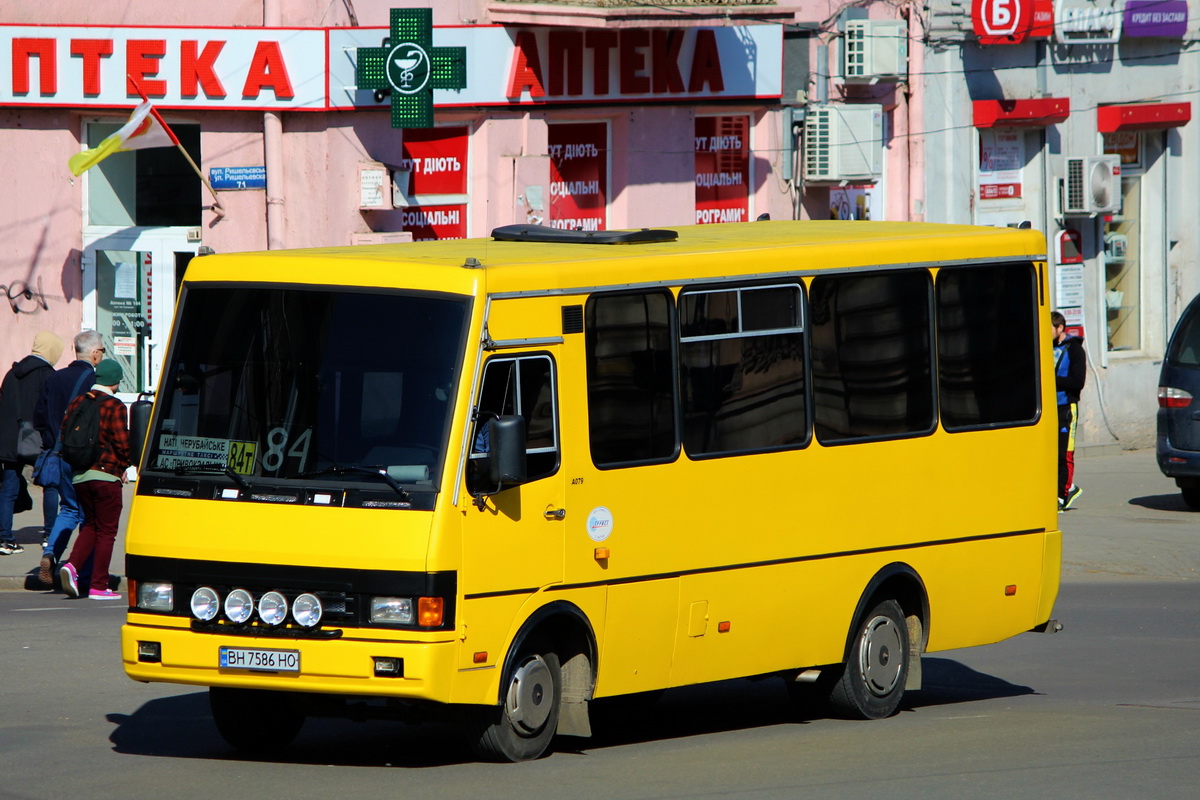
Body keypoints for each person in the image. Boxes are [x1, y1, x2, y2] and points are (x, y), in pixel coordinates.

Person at [34, 330, 104, 582]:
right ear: (95, 353)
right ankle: (81, 570)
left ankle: (50, 553)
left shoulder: (54, 378)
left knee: (69, 509)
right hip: (83, 458)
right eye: (102, 351)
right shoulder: (92, 380)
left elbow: (39, 417)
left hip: (58, 452)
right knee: (88, 513)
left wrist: (53, 442)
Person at [58, 359, 130, 600]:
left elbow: (65, 433)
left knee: (90, 524)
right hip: (105, 475)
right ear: (116, 382)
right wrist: (126, 466)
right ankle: (99, 586)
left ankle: (72, 565)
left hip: (79, 475)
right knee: (107, 531)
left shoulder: (79, 401)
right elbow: (121, 442)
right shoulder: (115, 405)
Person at [0, 332, 65, 555]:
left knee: (8, 488)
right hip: (37, 439)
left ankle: (5, 539)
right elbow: (50, 410)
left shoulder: (12, 373)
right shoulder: (48, 375)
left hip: (9, 439)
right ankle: (49, 535)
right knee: (49, 485)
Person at [1052, 311, 1086, 511]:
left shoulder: (1074, 349)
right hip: (1049, 408)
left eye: (1050, 329)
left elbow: (1077, 382)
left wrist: (1051, 380)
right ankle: (1066, 488)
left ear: (1060, 328)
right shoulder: (1047, 347)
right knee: (1051, 453)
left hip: (1067, 407)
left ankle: (1063, 494)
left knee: (1064, 453)